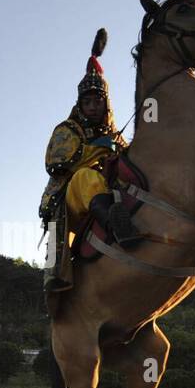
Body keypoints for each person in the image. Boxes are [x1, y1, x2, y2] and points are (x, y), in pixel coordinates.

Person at [39, 28, 137, 295]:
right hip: (70, 199)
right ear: (80, 105)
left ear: (106, 105)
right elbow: (57, 164)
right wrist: (96, 150)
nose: (93, 106)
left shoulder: (116, 136)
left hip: (110, 190)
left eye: (98, 101)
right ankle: (116, 225)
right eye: (88, 101)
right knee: (86, 177)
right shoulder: (67, 129)